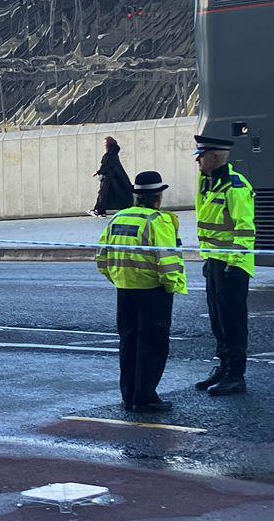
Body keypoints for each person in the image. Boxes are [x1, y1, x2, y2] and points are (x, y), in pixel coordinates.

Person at [96, 171, 187, 413]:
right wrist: (171, 286)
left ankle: (128, 396)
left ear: (136, 196)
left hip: (125, 290)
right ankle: (145, 396)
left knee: (128, 343)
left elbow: (102, 258)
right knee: (153, 346)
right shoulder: (158, 221)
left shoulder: (118, 218)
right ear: (158, 197)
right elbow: (167, 261)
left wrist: (119, 279)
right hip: (153, 292)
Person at [193, 133, 255, 396]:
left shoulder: (236, 186)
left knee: (232, 320)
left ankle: (235, 375)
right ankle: (223, 365)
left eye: (202, 156)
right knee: (217, 319)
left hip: (233, 265)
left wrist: (234, 263)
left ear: (216, 157)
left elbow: (245, 228)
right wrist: (208, 258)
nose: (198, 161)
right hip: (215, 261)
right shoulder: (207, 182)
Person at [91, 136, 129, 217]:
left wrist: (98, 172)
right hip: (111, 179)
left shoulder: (110, 155)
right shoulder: (112, 154)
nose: (104, 145)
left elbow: (106, 165)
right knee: (104, 194)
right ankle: (100, 210)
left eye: (105, 143)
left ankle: (99, 211)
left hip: (110, 179)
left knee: (103, 194)